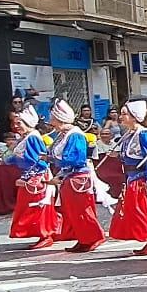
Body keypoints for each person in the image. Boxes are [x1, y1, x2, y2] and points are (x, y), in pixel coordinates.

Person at [106, 100, 147, 256]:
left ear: (134, 117)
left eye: (125, 114)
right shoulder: (129, 134)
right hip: (131, 178)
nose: (121, 117)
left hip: (141, 179)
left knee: (145, 213)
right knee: (134, 213)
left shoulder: (144, 134)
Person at [46, 99, 106, 252]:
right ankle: (83, 238)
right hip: (69, 177)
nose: (50, 122)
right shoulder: (63, 135)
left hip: (78, 177)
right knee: (72, 211)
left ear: (60, 119)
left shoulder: (75, 135)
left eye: (53, 119)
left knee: (83, 210)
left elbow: (77, 159)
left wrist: (55, 160)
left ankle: (93, 237)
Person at [2, 107, 59, 247]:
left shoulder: (33, 137)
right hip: (29, 176)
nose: (16, 126)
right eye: (15, 123)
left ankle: (46, 235)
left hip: (37, 176)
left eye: (19, 123)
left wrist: (29, 177)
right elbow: (20, 157)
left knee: (38, 206)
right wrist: (5, 160)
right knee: (28, 206)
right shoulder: (25, 137)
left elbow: (39, 160)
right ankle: (45, 233)